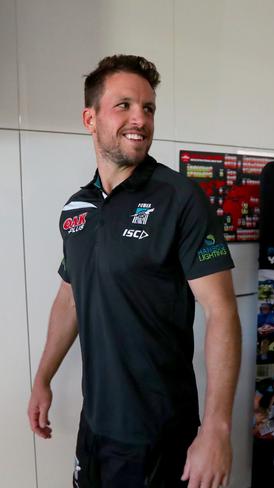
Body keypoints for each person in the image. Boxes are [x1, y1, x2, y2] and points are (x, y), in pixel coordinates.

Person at [27, 55, 242, 488]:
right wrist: (43, 379)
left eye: (148, 108)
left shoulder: (179, 198)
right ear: (90, 117)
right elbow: (70, 296)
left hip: (159, 434)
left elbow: (222, 313)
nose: (140, 119)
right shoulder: (76, 208)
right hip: (96, 425)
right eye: (124, 105)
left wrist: (216, 429)